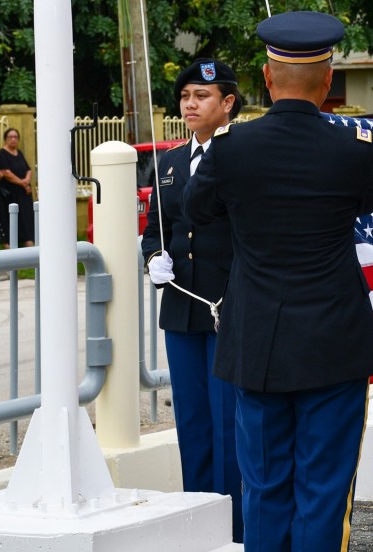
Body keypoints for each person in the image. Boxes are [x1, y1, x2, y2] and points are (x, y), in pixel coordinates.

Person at [182, 11, 373, 551]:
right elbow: (368, 204)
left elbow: (198, 209)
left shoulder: (229, 150)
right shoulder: (355, 150)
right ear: (328, 82)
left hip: (259, 342)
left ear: (267, 81)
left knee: (265, 486)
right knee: (323, 488)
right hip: (334, 341)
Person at [141, 58, 244, 543]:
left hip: (228, 307)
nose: (189, 104)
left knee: (230, 423)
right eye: (185, 96)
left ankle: (235, 526)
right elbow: (153, 232)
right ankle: (198, 519)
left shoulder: (245, 155)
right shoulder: (170, 163)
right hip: (182, 308)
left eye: (201, 96)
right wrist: (154, 258)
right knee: (192, 421)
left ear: (227, 103)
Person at [0, 127, 35, 247]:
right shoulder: (2, 153)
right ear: (5, 139)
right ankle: (23, 240)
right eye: (10, 137)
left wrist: (27, 180)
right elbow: (7, 173)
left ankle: (29, 238)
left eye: (15, 137)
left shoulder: (19, 152)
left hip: (24, 191)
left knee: (27, 215)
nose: (13, 139)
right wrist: (23, 183)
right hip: (13, 192)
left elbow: (28, 169)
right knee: (19, 216)